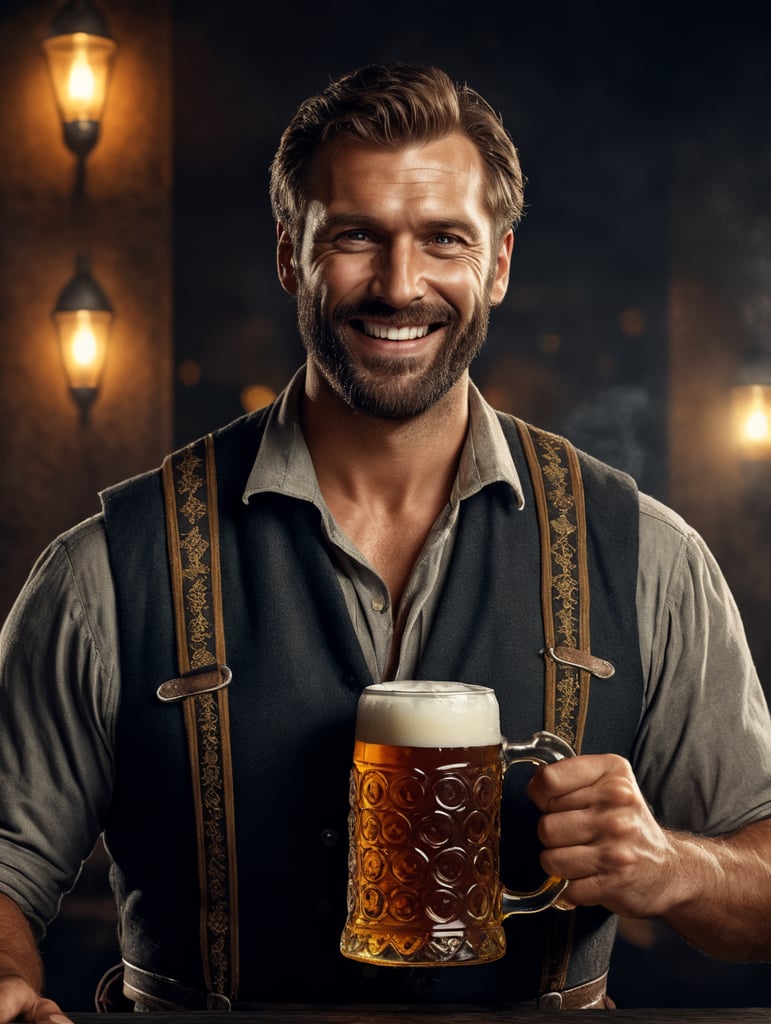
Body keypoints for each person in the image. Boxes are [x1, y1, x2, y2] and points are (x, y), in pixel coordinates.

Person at [2, 62, 771, 1019]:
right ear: (292, 255)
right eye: (356, 236)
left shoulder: (646, 557)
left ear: (497, 262)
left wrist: (676, 868)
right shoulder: (106, 572)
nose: (399, 285)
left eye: (443, 239)